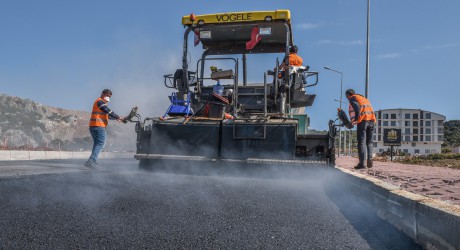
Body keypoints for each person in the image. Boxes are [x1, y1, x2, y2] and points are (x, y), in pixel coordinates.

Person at [84, 89, 124, 168]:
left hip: (94, 126)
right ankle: (91, 161)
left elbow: (107, 115)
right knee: (101, 143)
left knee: (97, 144)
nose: (108, 98)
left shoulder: (100, 104)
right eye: (107, 96)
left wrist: (116, 119)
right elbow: (107, 111)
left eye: (109, 97)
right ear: (102, 94)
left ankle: (93, 161)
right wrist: (118, 116)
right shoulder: (100, 102)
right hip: (99, 126)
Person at [345, 89, 376, 169]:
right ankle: (369, 158)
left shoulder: (352, 98)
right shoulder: (363, 98)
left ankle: (361, 163)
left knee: (361, 142)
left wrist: (355, 121)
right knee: (369, 142)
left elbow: (357, 109)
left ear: (348, 95)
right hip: (372, 120)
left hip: (363, 121)